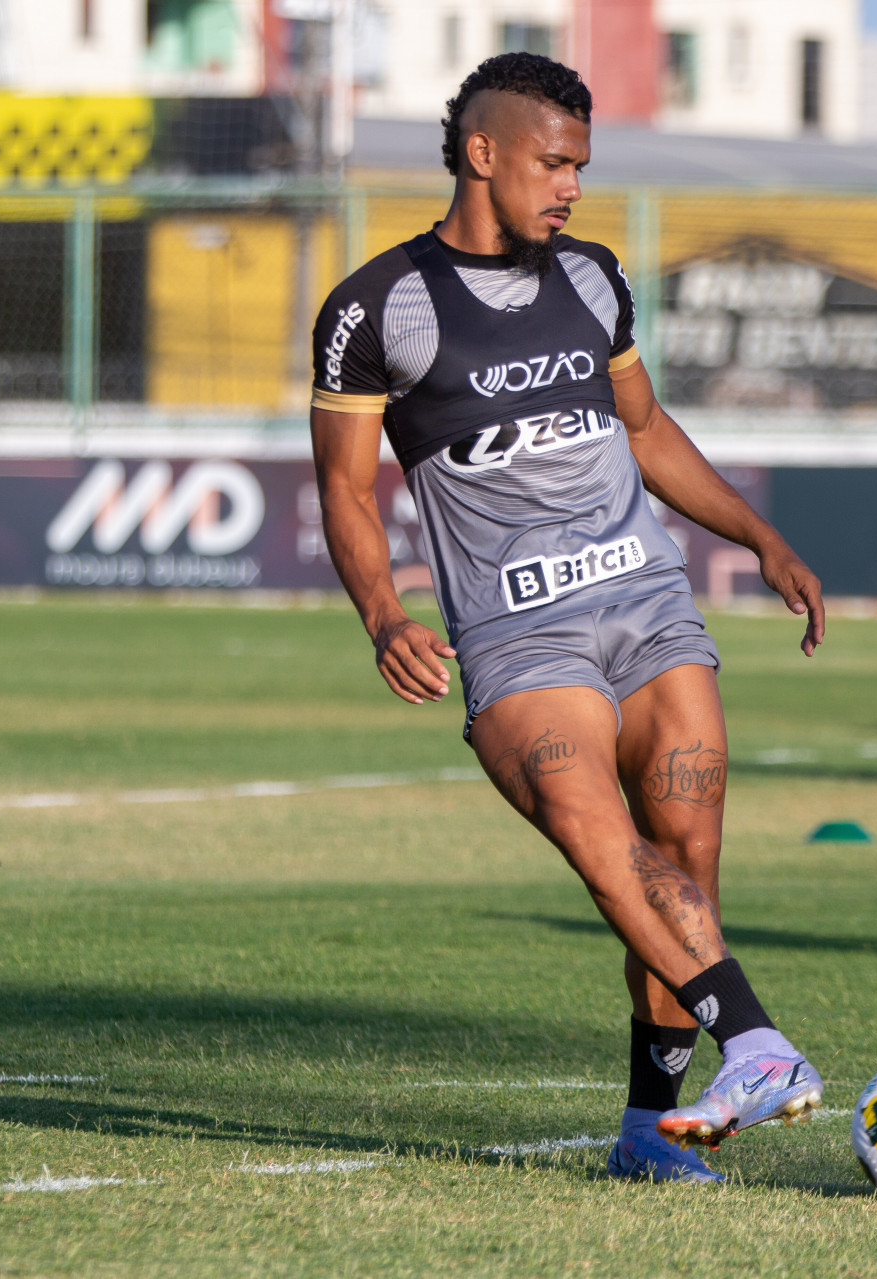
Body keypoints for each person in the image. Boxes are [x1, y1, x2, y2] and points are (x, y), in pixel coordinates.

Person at [308, 53, 827, 1184]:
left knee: (687, 854)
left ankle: (649, 1130)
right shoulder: (376, 308)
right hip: (517, 634)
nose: (573, 186)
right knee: (602, 839)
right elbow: (347, 490)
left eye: (582, 165)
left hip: (645, 603)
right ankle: (757, 1041)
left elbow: (646, 431)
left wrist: (758, 536)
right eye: (554, 161)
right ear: (482, 153)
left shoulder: (592, 281)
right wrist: (382, 612)